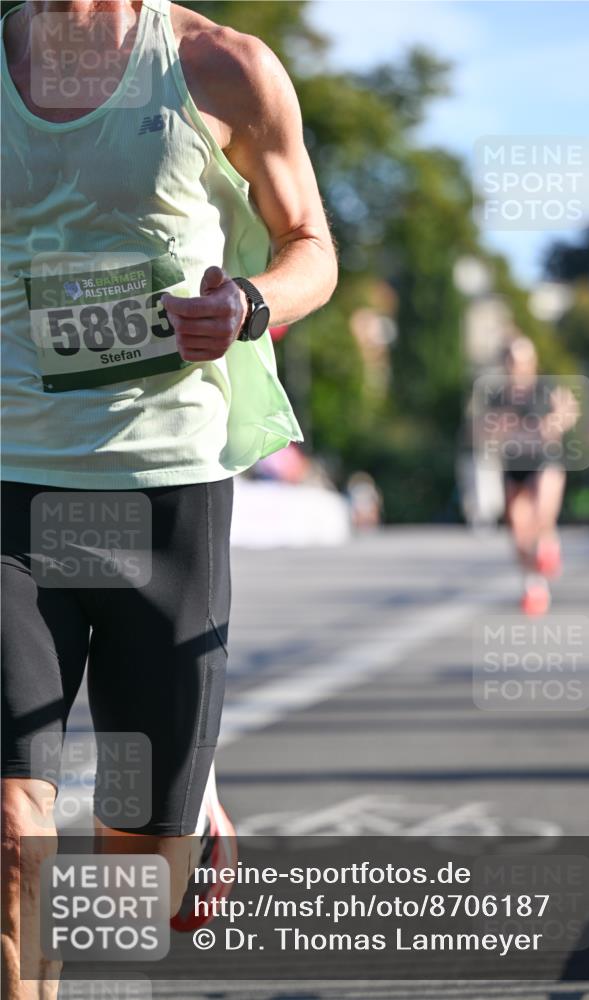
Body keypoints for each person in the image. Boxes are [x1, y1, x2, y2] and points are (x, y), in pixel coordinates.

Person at [0, 0, 338, 995]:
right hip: (12, 483)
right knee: (13, 837)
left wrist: (247, 304)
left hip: (166, 490)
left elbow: (312, 242)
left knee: (146, 877)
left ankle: (196, 807)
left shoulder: (220, 67)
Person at [480, 336, 580, 615]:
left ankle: (549, 544)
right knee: (519, 527)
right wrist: (498, 430)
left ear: (532, 363)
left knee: (542, 509)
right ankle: (533, 585)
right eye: (511, 361)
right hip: (514, 463)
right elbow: (485, 428)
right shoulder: (498, 396)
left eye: (522, 361)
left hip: (545, 459)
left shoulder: (545, 388)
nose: (517, 367)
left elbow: (569, 409)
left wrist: (553, 423)